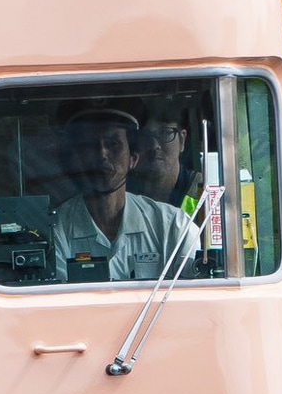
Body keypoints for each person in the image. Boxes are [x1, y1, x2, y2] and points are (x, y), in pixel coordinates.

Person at [51, 105, 197, 283]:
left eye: (113, 144)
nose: (102, 154)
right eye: (90, 145)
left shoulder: (174, 226)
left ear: (133, 159)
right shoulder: (56, 228)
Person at [133, 97, 201, 210]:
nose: (154, 145)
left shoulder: (204, 190)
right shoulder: (123, 194)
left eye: (165, 133)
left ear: (182, 140)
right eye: (144, 136)